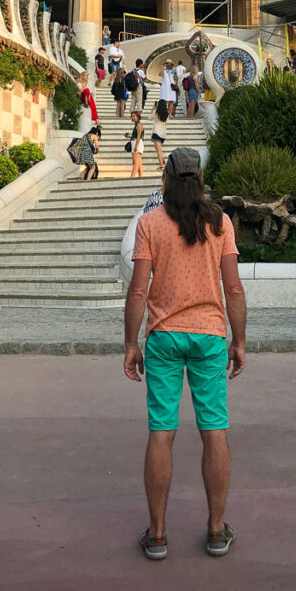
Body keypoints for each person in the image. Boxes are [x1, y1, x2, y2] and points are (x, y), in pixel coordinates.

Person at [124, 148, 246, 560]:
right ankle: (215, 530)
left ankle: (157, 534)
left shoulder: (150, 224)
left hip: (163, 337)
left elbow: (138, 289)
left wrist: (130, 343)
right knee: (214, 429)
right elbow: (232, 288)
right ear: (200, 178)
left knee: (162, 431)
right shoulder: (221, 222)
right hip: (210, 336)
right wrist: (239, 341)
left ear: (168, 178)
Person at [150, 99, 170, 168]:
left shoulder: (156, 113)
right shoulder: (166, 113)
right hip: (163, 134)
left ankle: (161, 165)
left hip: (156, 132)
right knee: (158, 148)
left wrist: (153, 109)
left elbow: (149, 118)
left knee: (158, 150)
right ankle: (163, 159)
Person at [126, 110, 144, 178]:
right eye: (131, 116)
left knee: (135, 163)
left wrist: (136, 146)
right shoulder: (137, 124)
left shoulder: (139, 125)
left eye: (134, 116)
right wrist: (129, 137)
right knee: (139, 163)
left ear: (138, 117)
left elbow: (139, 136)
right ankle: (141, 177)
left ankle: (132, 177)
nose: (132, 118)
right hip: (136, 142)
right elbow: (137, 136)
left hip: (137, 143)